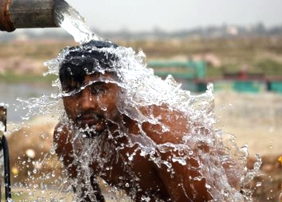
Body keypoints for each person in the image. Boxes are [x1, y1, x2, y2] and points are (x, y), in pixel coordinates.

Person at [53, 40, 242, 201]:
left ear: (122, 89)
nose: (85, 104)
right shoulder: (68, 139)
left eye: (99, 89)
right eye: (72, 91)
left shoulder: (165, 140)